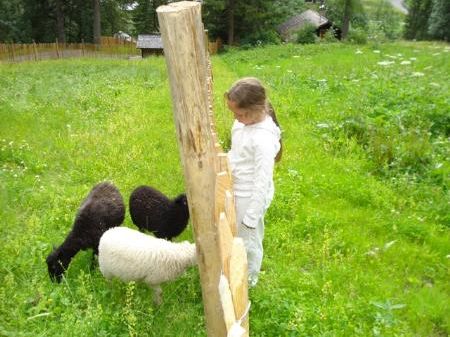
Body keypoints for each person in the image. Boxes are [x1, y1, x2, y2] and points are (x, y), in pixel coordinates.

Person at [225, 77, 282, 287]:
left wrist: (250, 218)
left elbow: (262, 182)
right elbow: (237, 152)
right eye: (234, 113)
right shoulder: (241, 125)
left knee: (248, 240)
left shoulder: (264, 139)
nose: (236, 118)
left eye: (240, 114)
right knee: (235, 237)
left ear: (257, 109)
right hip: (237, 189)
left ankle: (249, 281)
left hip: (250, 197)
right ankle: (233, 270)